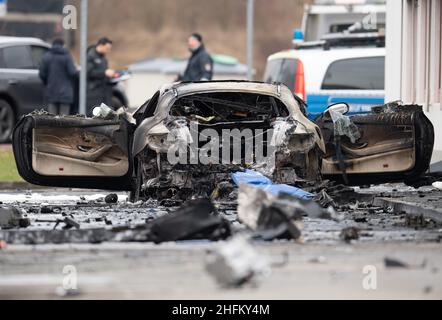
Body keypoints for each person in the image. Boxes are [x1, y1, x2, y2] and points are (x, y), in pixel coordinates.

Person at [39, 38, 78, 115]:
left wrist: (47, 82)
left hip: (51, 91)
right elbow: (73, 72)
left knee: (52, 118)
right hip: (65, 93)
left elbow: (42, 74)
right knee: (63, 118)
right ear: (63, 45)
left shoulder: (46, 56)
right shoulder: (67, 56)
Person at [86, 37, 117, 115]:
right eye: (107, 48)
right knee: (94, 115)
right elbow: (88, 73)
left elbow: (104, 75)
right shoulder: (90, 56)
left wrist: (113, 78)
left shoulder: (103, 58)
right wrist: (104, 73)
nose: (108, 51)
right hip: (94, 93)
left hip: (104, 92)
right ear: (100, 45)